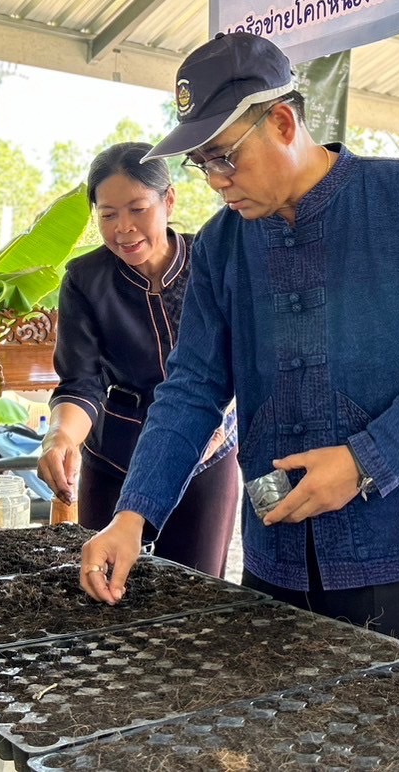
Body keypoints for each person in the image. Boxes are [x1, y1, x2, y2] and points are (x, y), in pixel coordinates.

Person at [78, 32, 399, 657]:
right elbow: (193, 388)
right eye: (203, 164)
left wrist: (364, 461)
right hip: (276, 557)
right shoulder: (223, 246)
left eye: (226, 157)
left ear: (281, 121)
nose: (218, 182)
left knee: (392, 745)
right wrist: (132, 515)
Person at [38, 142, 240, 575]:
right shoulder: (85, 280)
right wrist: (62, 438)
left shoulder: (212, 260)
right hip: (115, 462)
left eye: (137, 209)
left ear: (168, 199)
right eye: (108, 215)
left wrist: (223, 424)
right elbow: (81, 383)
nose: (123, 229)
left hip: (203, 458)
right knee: (107, 592)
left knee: (197, 599)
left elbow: (244, 362)